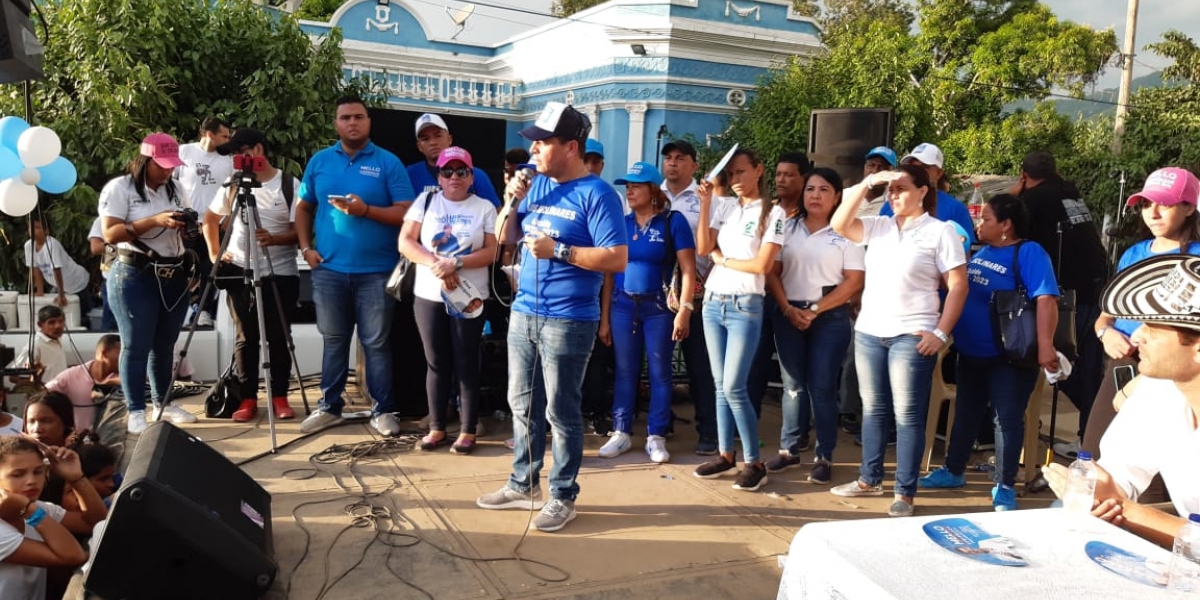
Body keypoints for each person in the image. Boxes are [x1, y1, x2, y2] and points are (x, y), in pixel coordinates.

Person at [475, 102, 627, 533]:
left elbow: (616, 258)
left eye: (543, 142)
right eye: (534, 142)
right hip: (525, 311)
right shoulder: (535, 186)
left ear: (571, 147)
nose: (535, 149)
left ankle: (563, 495)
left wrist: (560, 251)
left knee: (561, 411)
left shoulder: (598, 194)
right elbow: (506, 240)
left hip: (569, 319)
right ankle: (522, 484)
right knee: (521, 404)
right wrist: (510, 201)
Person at [829, 164, 968, 517]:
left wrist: (940, 332)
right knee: (873, 409)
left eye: (901, 188)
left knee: (907, 415)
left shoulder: (941, 232)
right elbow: (839, 224)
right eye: (890, 190)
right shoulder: (878, 226)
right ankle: (869, 478)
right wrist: (868, 183)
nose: (894, 195)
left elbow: (958, 285)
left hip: (912, 333)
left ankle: (905, 491)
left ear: (923, 191)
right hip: (871, 331)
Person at [1045, 254, 1200, 547]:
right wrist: (1093, 491)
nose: (1138, 334)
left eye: (1153, 327)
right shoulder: (1161, 390)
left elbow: (1122, 504)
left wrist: (1124, 510)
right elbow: (1119, 476)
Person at [919, 194, 1060, 511]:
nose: (980, 224)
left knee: (1006, 420)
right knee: (967, 412)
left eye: (986, 219)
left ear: (1006, 225)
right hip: (972, 354)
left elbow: (1046, 300)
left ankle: (1005, 485)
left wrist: (1046, 345)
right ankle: (953, 471)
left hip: (1008, 359)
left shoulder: (1029, 253)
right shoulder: (980, 252)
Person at [296, 95, 416, 437]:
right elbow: (303, 208)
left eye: (359, 117)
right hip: (329, 270)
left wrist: (366, 211)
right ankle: (329, 407)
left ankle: (383, 409)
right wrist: (306, 248)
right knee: (334, 340)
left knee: (376, 343)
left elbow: (405, 212)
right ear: (336, 123)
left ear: (368, 122)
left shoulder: (388, 163)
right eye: (345, 117)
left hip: (377, 271)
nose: (352, 122)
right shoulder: (319, 161)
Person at [1082, 167, 1200, 457]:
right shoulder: (1133, 254)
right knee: (1093, 450)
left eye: (1165, 204)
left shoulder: (1196, 258)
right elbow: (1106, 315)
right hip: (1124, 363)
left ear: (1189, 206)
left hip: (1175, 373)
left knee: (1160, 464)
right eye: (1146, 204)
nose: (1153, 213)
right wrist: (1105, 334)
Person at [691, 148, 786, 492]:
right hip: (714, 301)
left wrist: (725, 260)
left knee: (733, 386)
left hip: (746, 303)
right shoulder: (725, 206)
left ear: (759, 170)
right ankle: (725, 454)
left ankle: (754, 461)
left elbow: (762, 266)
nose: (735, 180)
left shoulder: (773, 212)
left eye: (741, 172)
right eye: (730, 175)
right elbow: (704, 248)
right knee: (720, 386)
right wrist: (704, 205)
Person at [764, 167, 864, 485]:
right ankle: (789, 449)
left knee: (822, 386)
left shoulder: (846, 233)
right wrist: (786, 308)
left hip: (829, 319)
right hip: (788, 312)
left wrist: (816, 310)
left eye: (823, 190)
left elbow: (853, 282)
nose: (815, 196)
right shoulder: (786, 227)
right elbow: (771, 271)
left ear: (837, 197)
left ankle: (824, 455)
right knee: (793, 385)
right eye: (810, 189)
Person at [399, 146, 498, 455]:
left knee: (466, 361)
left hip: (469, 296)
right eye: (447, 171)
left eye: (461, 171)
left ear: (471, 176)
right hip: (429, 294)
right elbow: (405, 241)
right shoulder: (425, 201)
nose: (454, 177)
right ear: (439, 176)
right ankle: (437, 427)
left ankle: (468, 429)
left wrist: (457, 264)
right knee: (436, 362)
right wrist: (436, 265)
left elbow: (494, 251)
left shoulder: (484, 207)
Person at [597, 162, 696, 463]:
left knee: (660, 372)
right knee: (625, 370)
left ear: (653, 190)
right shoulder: (622, 224)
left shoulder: (672, 221)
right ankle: (621, 431)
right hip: (623, 305)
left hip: (658, 308)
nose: (629, 190)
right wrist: (604, 319)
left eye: (636, 185)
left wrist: (685, 312)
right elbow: (609, 274)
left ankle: (656, 435)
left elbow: (689, 269)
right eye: (627, 185)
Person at [1013, 151, 1109, 458]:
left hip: (1069, 295)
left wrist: (1017, 192)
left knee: (1059, 364)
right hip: (1095, 288)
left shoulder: (1034, 199)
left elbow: (1006, 225)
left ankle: (1102, 426)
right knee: (1089, 369)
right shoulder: (1070, 191)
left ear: (1023, 175)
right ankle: (1090, 440)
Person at [99, 132, 197, 434]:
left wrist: (186, 225)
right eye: (162, 165)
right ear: (146, 160)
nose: (168, 171)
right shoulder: (121, 188)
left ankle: (162, 404)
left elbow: (185, 226)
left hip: (172, 272)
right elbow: (110, 234)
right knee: (136, 343)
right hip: (134, 273)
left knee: (165, 344)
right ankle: (136, 410)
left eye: (171, 166)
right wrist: (154, 221)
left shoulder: (177, 188)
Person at [202, 128, 300, 423]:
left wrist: (276, 239)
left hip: (279, 272)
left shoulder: (288, 183)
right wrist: (214, 254)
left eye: (239, 151)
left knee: (279, 337)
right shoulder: (232, 184)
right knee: (246, 338)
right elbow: (209, 219)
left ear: (257, 149)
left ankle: (280, 398)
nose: (235, 158)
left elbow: (302, 229)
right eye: (232, 154)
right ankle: (247, 399)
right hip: (238, 271)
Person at [661, 140, 718, 455]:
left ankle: (708, 430)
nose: (672, 164)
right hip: (658, 294)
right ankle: (662, 424)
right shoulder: (651, 196)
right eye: (668, 158)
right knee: (659, 365)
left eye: (680, 159)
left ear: (694, 166)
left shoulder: (708, 200)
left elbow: (712, 246)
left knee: (700, 366)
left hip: (698, 293)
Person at [747, 153, 813, 421]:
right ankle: (748, 426)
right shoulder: (766, 211)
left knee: (794, 374)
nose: (782, 180)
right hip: (760, 297)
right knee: (753, 366)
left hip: (794, 300)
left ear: (803, 178)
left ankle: (797, 433)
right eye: (779, 174)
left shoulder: (811, 217)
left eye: (789, 174)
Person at [0, 437, 89, 600]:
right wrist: (28, 509)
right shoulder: (28, 512)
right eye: (18, 474)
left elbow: (92, 522)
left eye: (38, 471)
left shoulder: (37, 509)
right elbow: (74, 555)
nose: (32, 481)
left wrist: (76, 478)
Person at [175, 117, 233, 329]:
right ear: (210, 134)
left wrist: (227, 219)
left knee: (210, 269)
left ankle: (203, 310)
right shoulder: (184, 152)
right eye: (224, 136)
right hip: (185, 223)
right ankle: (179, 309)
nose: (228, 140)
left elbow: (234, 192)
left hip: (214, 224)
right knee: (180, 268)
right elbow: (170, 184)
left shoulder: (228, 160)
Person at [879, 143, 975, 243]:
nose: (917, 171)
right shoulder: (890, 205)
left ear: (939, 173)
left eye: (925, 167)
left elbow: (965, 250)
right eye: (911, 167)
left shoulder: (956, 209)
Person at [406, 113, 501, 207]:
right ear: (419, 147)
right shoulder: (409, 174)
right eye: (425, 139)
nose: (433, 142)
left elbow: (496, 214)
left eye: (438, 136)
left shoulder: (475, 174)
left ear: (449, 139)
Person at [46, 334, 121, 432]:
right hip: (79, 442)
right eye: (120, 353)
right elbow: (44, 394)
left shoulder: (123, 377)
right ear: (104, 353)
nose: (126, 358)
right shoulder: (72, 375)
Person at [24, 218, 92, 314]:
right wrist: (40, 291)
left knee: (83, 315)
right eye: (30, 228)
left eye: (37, 228)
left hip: (77, 283)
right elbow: (35, 269)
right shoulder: (28, 246)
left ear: (46, 231)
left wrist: (61, 295)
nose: (32, 231)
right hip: (60, 285)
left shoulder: (52, 244)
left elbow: (57, 270)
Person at [6, 305, 68, 387]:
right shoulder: (35, 345)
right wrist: (39, 385)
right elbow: (13, 376)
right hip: (45, 395)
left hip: (62, 392)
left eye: (61, 321)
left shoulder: (57, 340)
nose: (58, 326)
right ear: (40, 324)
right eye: (51, 322)